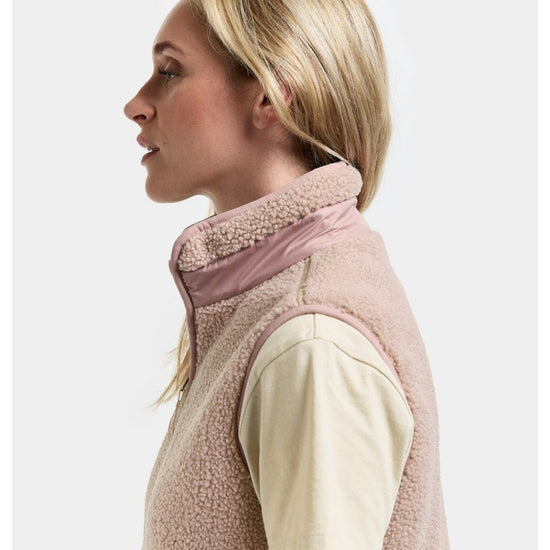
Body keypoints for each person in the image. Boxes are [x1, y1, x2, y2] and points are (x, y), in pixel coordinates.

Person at [124, 0, 450, 548]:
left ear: (271, 95)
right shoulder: (276, 304)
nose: (136, 104)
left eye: (170, 71)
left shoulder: (310, 339)